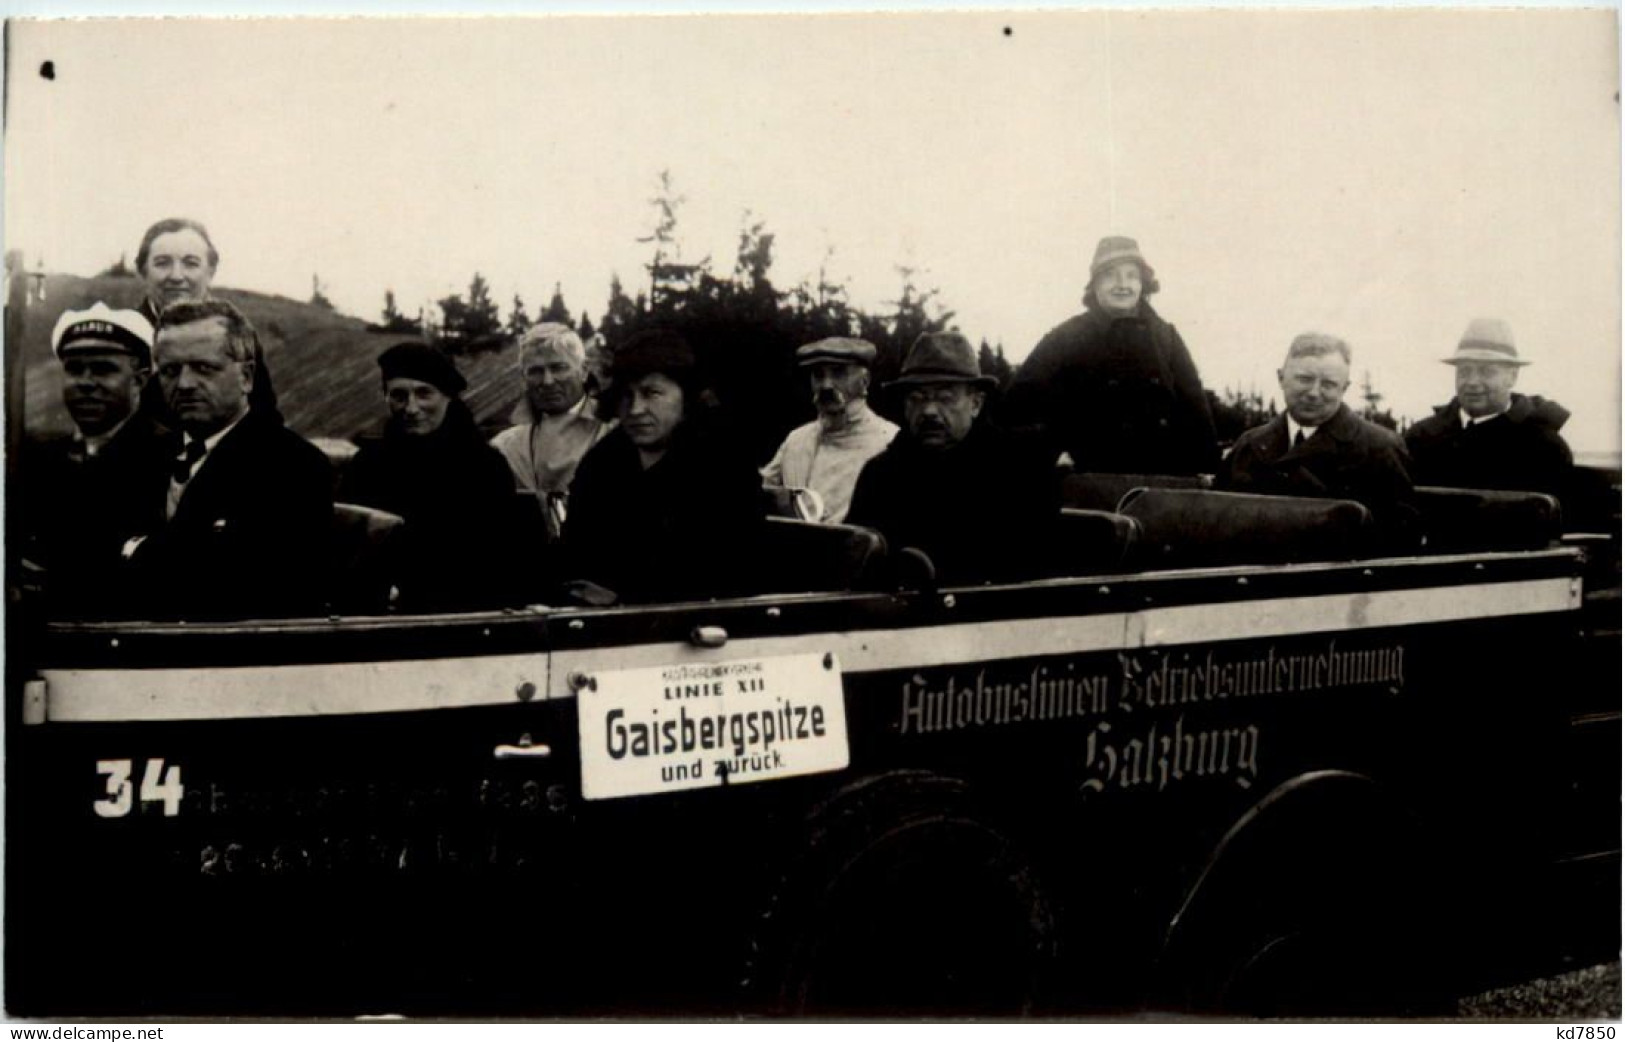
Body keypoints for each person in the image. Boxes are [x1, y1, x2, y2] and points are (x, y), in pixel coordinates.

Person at [120, 300, 331, 620]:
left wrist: (136, 552)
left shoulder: (294, 466)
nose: (185, 384)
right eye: (170, 371)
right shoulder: (141, 458)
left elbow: (245, 592)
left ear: (246, 377)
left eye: (204, 368)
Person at [563, 329, 765, 603]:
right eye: (626, 396)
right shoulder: (603, 461)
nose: (635, 409)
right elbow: (574, 551)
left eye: (652, 393)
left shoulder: (723, 465)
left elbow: (729, 573)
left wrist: (623, 599)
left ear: (687, 397)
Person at [847, 331, 1059, 584]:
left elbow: (1035, 571)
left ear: (976, 404)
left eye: (946, 398)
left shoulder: (1020, 471)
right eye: (916, 398)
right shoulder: (879, 475)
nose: (929, 411)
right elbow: (855, 565)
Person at [1003, 235, 1217, 475]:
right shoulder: (1066, 337)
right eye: (1110, 275)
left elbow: (1197, 412)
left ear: (1143, 284)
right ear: (1094, 285)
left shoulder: (1166, 336)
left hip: (1161, 484)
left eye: (1131, 275)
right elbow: (1013, 410)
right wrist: (1051, 450)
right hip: (1088, 483)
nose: (1122, 284)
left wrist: (1206, 467)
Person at [344, 342, 523, 611]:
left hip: (463, 615)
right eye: (399, 395)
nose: (411, 408)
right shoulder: (368, 464)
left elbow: (501, 560)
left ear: (448, 397)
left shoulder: (484, 466)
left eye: (424, 394)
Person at [21, 304, 171, 617]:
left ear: (140, 380)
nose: (85, 382)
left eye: (104, 369)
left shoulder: (169, 457)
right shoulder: (38, 459)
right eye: (75, 369)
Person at [1221, 332, 1417, 542]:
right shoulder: (1248, 446)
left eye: (1329, 384)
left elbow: (1400, 542)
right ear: (1281, 378)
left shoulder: (1380, 449)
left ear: (1344, 388)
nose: (1314, 393)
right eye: (1304, 379)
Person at [1404, 318, 1573, 499]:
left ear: (1512, 377)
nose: (1472, 382)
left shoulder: (1544, 447)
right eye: (1464, 372)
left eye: (1486, 372)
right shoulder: (1420, 437)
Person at [132, 217, 280, 418]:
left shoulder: (234, 331)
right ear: (142, 271)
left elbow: (264, 416)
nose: (176, 275)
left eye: (191, 263)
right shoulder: (125, 336)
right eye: (162, 263)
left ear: (211, 271)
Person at [489, 322, 612, 539]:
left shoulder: (612, 430)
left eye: (558, 368)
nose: (547, 381)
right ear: (523, 378)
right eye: (535, 371)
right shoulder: (504, 446)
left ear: (583, 371)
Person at [760, 336, 899, 523]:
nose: (826, 385)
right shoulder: (797, 440)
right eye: (818, 375)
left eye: (839, 373)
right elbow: (761, 495)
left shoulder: (889, 441)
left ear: (864, 381)